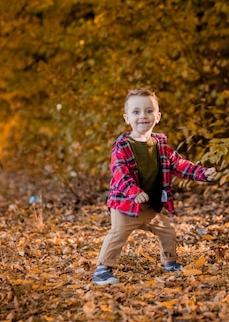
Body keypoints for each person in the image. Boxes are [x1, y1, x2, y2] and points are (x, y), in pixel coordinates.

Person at [92, 88, 217, 285]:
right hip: (126, 204)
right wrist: (134, 191)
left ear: (157, 116)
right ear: (127, 118)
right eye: (136, 112)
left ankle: (171, 263)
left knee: (167, 231)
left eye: (149, 111)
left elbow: (180, 165)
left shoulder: (161, 146)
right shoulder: (122, 147)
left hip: (151, 205)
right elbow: (120, 173)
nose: (143, 116)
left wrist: (202, 173)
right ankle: (102, 270)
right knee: (117, 235)